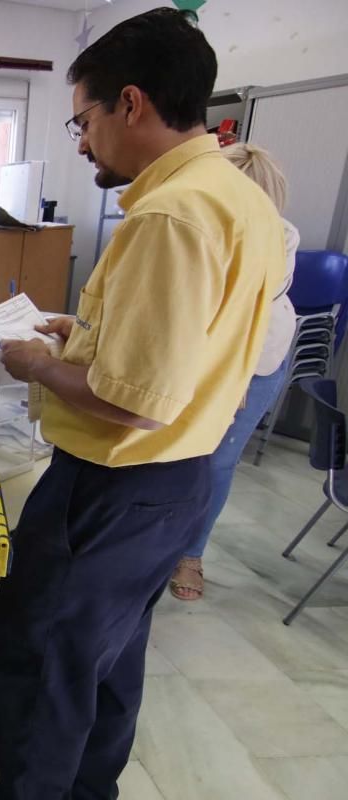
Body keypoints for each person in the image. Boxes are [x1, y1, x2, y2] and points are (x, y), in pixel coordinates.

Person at [0, 9, 286, 799]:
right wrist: (86, 332)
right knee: (107, 652)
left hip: (113, 485)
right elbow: (192, 343)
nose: (80, 141)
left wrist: (41, 365)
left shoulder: (167, 215)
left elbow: (134, 403)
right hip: (179, 480)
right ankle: (90, 788)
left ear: (130, 103)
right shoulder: (238, 195)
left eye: (82, 120)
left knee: (42, 653)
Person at [169, 143, 299, 600]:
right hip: (198, 357)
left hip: (255, 364)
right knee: (175, 454)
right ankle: (160, 544)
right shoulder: (197, 227)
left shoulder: (281, 237)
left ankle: (190, 555)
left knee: (216, 462)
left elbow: (243, 302)